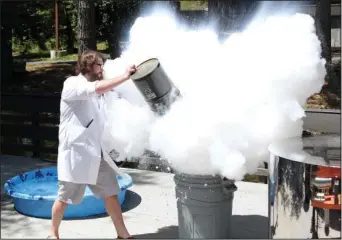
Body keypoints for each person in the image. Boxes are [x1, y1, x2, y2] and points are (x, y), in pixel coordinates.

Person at [48, 50, 136, 239]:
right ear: (88, 66)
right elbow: (97, 88)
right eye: (99, 65)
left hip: (97, 153)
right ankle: (53, 234)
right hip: (76, 153)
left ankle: (123, 235)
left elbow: (103, 97)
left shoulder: (98, 92)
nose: (102, 68)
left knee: (111, 192)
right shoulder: (72, 84)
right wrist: (125, 76)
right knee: (64, 198)